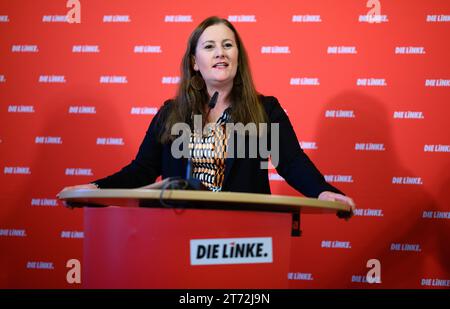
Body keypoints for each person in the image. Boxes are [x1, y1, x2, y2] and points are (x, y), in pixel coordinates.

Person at [57, 16, 355, 211]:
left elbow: (291, 163)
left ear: (239, 57)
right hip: (177, 230)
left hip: (243, 237)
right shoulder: (170, 114)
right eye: (209, 46)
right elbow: (142, 171)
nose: (220, 52)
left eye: (228, 45)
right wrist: (95, 189)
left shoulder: (266, 111)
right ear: (195, 62)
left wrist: (322, 193)